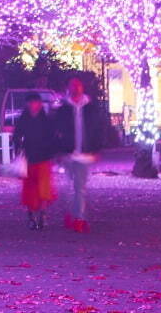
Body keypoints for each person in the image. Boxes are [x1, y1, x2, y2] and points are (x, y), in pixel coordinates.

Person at [54, 77, 106, 232]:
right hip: (69, 153)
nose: (75, 88)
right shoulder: (63, 109)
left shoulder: (91, 108)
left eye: (78, 85)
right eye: (73, 86)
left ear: (82, 88)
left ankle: (79, 218)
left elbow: (98, 130)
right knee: (70, 187)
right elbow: (57, 130)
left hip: (84, 153)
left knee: (80, 187)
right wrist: (59, 150)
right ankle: (73, 214)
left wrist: (96, 149)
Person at [11, 92, 59, 229]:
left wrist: (52, 152)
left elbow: (52, 138)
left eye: (35, 102)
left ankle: (42, 213)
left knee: (44, 188)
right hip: (29, 157)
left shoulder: (46, 120)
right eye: (31, 103)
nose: (33, 105)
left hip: (43, 157)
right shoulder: (23, 120)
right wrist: (19, 150)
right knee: (30, 189)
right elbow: (17, 136)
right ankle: (32, 215)